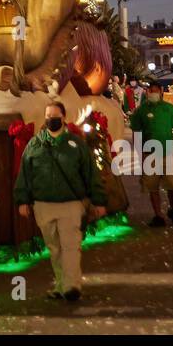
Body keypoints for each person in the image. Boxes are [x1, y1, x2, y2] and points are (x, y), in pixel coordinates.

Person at [14, 95, 107, 301]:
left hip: (71, 204)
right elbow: (25, 174)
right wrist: (22, 200)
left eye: (55, 116)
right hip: (43, 205)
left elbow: (91, 173)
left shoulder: (76, 144)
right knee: (54, 249)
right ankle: (61, 284)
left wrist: (98, 200)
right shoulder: (34, 145)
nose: (51, 120)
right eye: (48, 116)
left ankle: (72, 286)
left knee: (70, 247)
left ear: (64, 118)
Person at [129, 81, 173, 227]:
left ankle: (172, 208)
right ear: (147, 92)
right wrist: (139, 153)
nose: (152, 93)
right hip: (149, 154)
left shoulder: (169, 109)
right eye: (150, 91)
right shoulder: (141, 111)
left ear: (161, 91)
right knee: (152, 186)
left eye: (155, 91)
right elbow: (136, 132)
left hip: (167, 152)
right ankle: (158, 215)